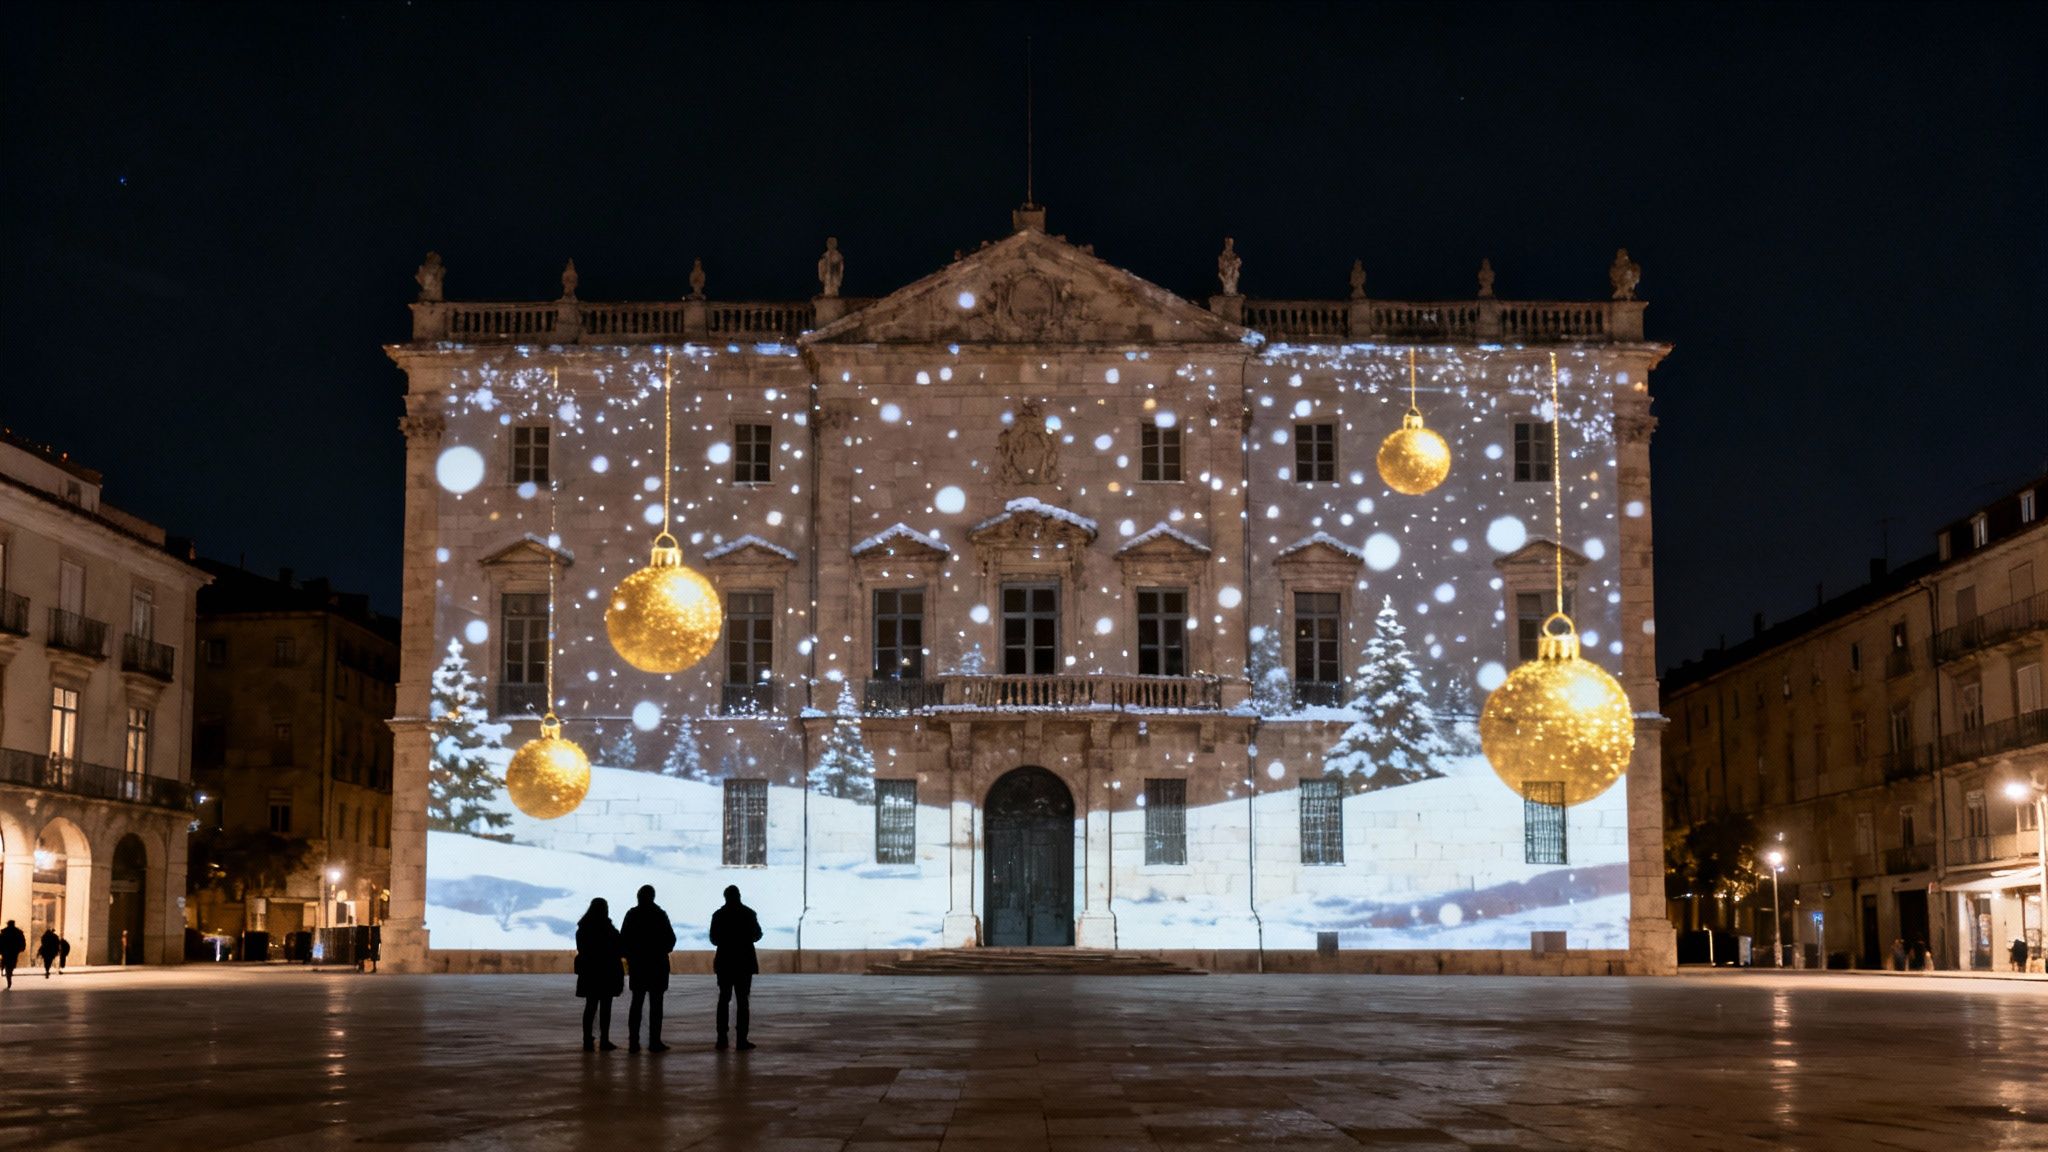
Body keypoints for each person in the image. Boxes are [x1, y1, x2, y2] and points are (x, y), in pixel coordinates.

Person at [618, 885, 676, 1053]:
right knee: (656, 1005)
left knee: (637, 1003)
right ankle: (654, 1041)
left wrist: (633, 955)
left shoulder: (632, 915)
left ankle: (634, 1042)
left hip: (638, 966)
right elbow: (670, 940)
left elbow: (624, 941)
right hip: (657, 965)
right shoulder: (660, 915)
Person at [709, 885, 763, 1051]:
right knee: (742, 1001)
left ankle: (722, 1038)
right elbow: (757, 935)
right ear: (739, 896)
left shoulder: (719, 915)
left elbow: (714, 939)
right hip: (744, 962)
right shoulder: (748, 914)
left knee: (724, 999)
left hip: (725, 962)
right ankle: (741, 1039)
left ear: (725, 897)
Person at [575, 898, 624, 1052]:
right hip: (607, 972)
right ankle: (604, 1040)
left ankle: (587, 1040)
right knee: (605, 1007)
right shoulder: (608, 929)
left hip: (590, 973)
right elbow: (619, 946)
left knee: (590, 1006)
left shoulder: (583, 928)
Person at [0, 920, 24, 989]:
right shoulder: (18, 932)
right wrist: (21, 948)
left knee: (7, 964)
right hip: (14, 951)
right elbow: (22, 940)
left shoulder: (4, 932)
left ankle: (8, 976)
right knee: (11, 964)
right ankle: (9, 975)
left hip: (6, 951)